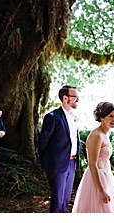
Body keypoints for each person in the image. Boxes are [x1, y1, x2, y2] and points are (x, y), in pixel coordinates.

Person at [37, 85, 82, 213]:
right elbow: (42, 142)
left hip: (72, 164)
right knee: (57, 203)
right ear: (65, 98)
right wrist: (47, 162)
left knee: (65, 202)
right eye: (75, 97)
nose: (78, 100)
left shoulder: (75, 117)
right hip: (57, 165)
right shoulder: (52, 117)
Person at [72, 102, 114, 213]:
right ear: (102, 118)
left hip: (106, 176)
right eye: (111, 116)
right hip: (96, 180)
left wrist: (111, 183)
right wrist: (101, 190)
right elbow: (92, 164)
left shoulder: (105, 134)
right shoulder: (96, 136)